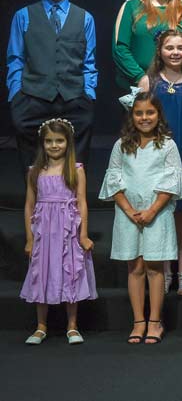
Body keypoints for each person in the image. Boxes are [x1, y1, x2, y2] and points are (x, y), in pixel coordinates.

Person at [100, 92, 182, 344]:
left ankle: (155, 321)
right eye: (139, 113)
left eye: (150, 112)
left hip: (156, 213)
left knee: (154, 266)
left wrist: (152, 210)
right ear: (131, 116)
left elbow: (172, 180)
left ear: (158, 115)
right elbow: (114, 177)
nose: (144, 117)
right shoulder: (121, 145)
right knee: (134, 266)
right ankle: (138, 321)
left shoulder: (167, 144)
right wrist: (128, 209)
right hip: (128, 214)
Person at [7, 0, 97, 174]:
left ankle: (71, 203)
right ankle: (36, 202)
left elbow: (89, 61)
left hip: (74, 97)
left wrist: (89, 93)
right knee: (32, 157)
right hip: (33, 96)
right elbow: (15, 58)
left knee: (76, 157)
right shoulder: (23, 15)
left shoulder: (85, 17)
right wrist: (16, 95)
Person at [139, 29, 182, 295]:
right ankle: (164, 272)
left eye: (180, 47)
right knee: (162, 216)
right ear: (160, 51)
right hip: (158, 155)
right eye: (170, 48)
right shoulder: (149, 82)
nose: (175, 52)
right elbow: (140, 120)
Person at [20, 118, 96, 345]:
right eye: (49, 141)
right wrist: (29, 238)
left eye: (59, 141)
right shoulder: (35, 171)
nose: (54, 145)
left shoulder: (76, 170)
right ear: (42, 144)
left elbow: (82, 202)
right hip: (44, 230)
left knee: (70, 271)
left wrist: (83, 234)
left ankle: (72, 326)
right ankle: (41, 326)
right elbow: (29, 205)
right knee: (41, 273)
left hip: (68, 229)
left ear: (68, 142)